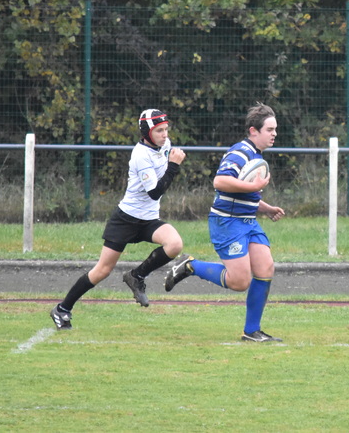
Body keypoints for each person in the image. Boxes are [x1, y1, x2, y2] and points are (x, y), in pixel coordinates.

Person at [50, 108, 187, 330]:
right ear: (146, 132)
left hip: (149, 219)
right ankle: (62, 309)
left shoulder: (165, 145)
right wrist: (173, 166)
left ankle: (136, 276)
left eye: (166, 129)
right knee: (102, 271)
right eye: (159, 130)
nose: (165, 134)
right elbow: (154, 192)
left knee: (175, 244)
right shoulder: (141, 155)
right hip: (126, 219)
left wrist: (171, 163)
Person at [163, 102, 286, 342]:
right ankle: (190, 266)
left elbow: (242, 194)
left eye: (275, 129)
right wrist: (254, 186)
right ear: (253, 131)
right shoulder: (240, 152)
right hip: (227, 222)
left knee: (265, 268)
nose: (274, 134)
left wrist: (266, 208)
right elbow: (220, 182)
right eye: (270, 129)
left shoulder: (256, 155)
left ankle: (252, 331)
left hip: (247, 221)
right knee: (240, 281)